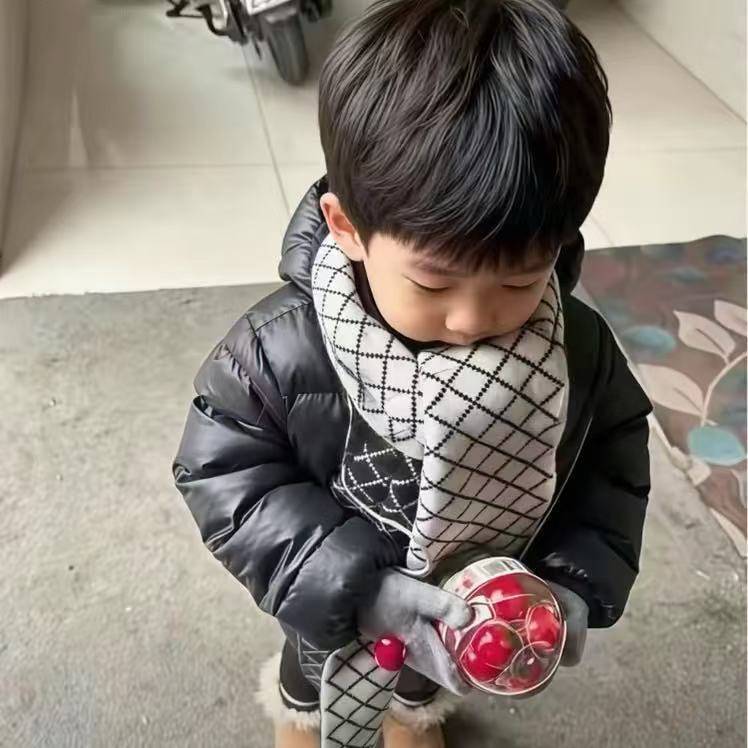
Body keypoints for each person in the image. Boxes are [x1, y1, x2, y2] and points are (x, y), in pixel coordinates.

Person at [173, 2, 652, 747]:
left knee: (427, 677)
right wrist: (354, 584)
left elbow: (612, 470)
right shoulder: (279, 348)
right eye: (433, 282)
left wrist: (575, 579)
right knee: (316, 667)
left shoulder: (577, 350)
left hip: (474, 598)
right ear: (347, 228)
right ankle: (305, 717)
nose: (472, 318)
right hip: (337, 592)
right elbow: (223, 473)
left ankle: (411, 715)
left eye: (520, 280)